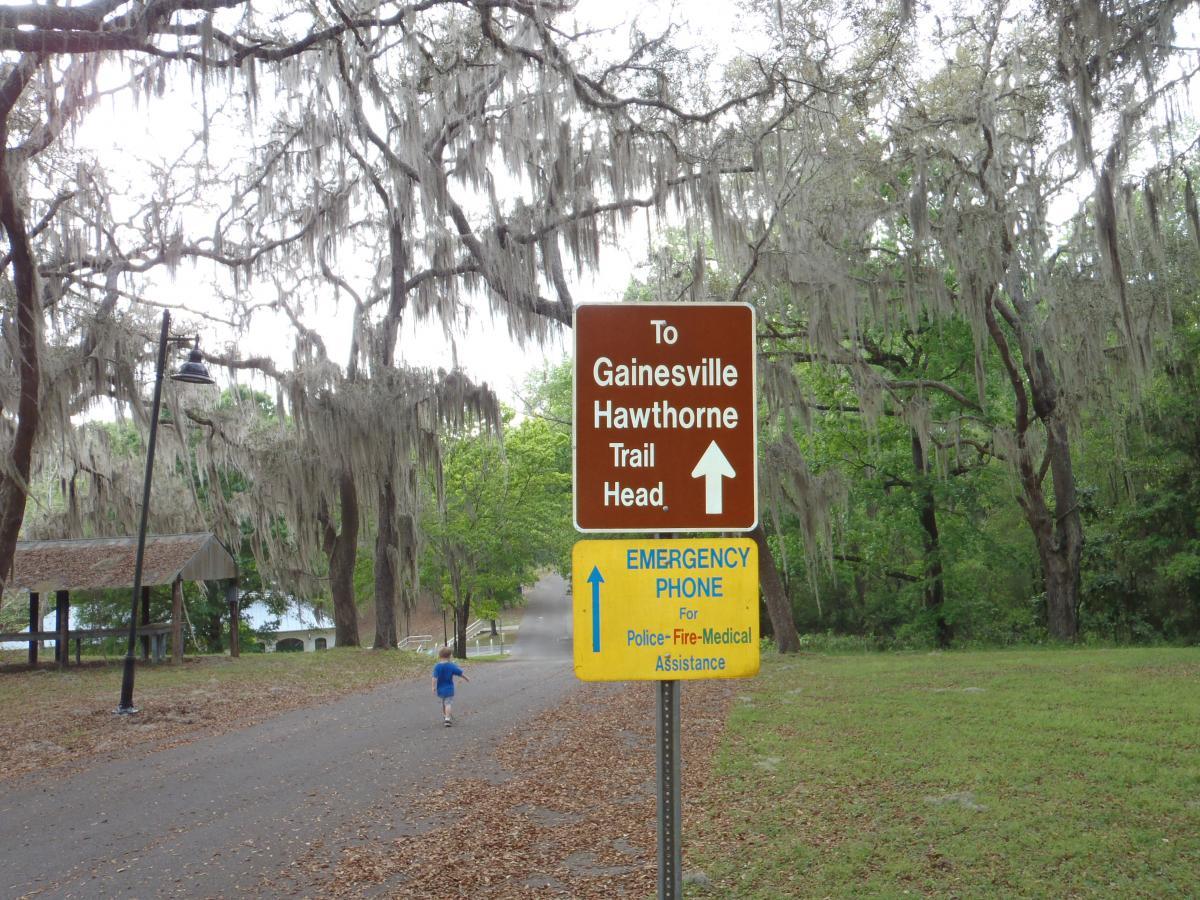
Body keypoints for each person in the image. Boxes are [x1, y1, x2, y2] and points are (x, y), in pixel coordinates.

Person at [432, 646, 469, 726]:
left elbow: (434, 678)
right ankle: (447, 719)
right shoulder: (451, 666)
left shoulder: (437, 666)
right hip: (449, 688)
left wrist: (433, 686)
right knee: (448, 703)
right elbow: (460, 673)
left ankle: (445, 715)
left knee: (443, 703)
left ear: (439, 656)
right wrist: (466, 678)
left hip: (440, 688)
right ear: (449, 656)